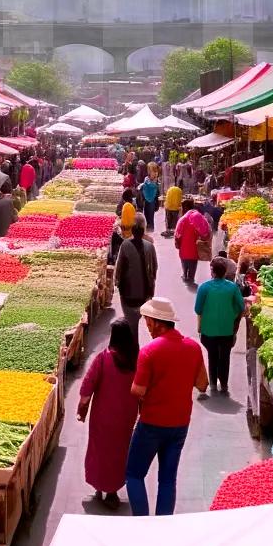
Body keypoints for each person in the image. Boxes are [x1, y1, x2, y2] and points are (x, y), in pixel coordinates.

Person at [126, 297, 209, 516]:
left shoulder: (149, 351)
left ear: (156, 322)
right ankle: (163, 525)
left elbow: (137, 391)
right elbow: (202, 384)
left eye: (147, 321)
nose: (146, 326)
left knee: (134, 474)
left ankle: (142, 523)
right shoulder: (193, 347)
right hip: (180, 423)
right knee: (167, 479)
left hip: (151, 423)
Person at [77, 320, 141, 510]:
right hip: (126, 416)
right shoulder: (136, 360)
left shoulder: (104, 358)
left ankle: (100, 486)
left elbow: (88, 385)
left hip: (103, 415)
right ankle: (112, 491)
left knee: (100, 450)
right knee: (119, 452)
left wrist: (82, 406)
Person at [195, 257, 245, 393]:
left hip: (208, 330)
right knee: (225, 357)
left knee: (212, 356)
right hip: (227, 330)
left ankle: (212, 383)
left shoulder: (204, 287)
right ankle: (224, 384)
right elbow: (241, 306)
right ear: (225, 272)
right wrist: (232, 313)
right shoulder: (232, 287)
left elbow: (198, 309)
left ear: (212, 272)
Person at [115, 221, 158, 343]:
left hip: (128, 291)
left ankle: (134, 348)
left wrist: (117, 282)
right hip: (145, 292)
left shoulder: (125, 245)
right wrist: (151, 283)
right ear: (143, 232)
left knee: (131, 325)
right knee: (147, 321)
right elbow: (154, 267)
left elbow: (119, 266)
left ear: (132, 232)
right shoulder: (149, 246)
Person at [174, 198, 212, 285]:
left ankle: (185, 276)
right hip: (194, 251)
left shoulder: (182, 219)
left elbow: (177, 235)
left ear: (185, 208)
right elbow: (205, 232)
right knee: (192, 272)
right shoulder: (198, 217)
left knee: (185, 267)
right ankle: (190, 280)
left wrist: (177, 244)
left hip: (183, 250)